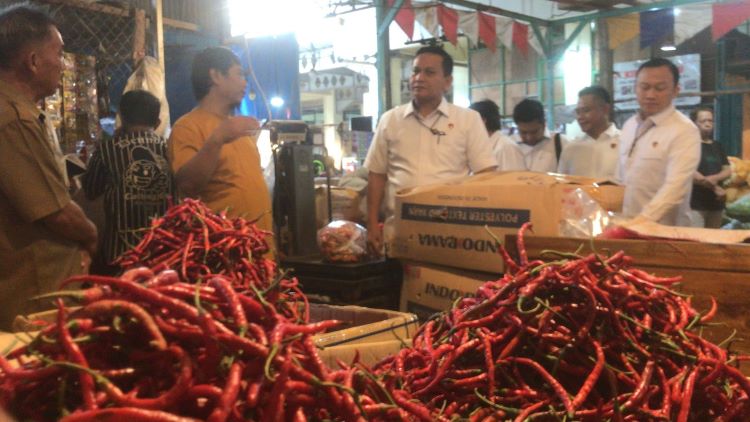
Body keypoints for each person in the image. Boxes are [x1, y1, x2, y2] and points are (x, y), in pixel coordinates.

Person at [0, 5, 97, 329]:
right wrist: (92, 236)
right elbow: (55, 212)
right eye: (59, 52)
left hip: (40, 289)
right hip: (35, 295)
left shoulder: (21, 112)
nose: (64, 63)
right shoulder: (13, 119)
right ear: (32, 61)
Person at [364, 45, 497, 256]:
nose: (419, 77)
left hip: (449, 234)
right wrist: (372, 224)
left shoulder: (467, 120)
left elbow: (485, 175)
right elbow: (377, 175)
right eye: (415, 71)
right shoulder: (390, 120)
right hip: (398, 232)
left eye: (429, 72)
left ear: (447, 81)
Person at [168, 47, 273, 243]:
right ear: (216, 75)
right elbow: (187, 185)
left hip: (260, 253)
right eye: (240, 74)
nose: (245, 82)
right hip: (226, 254)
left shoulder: (239, 128)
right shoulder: (187, 127)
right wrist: (217, 139)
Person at [83, 90, 176, 275]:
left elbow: (90, 190)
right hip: (168, 253)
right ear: (157, 123)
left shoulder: (107, 149)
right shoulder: (169, 147)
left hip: (120, 255)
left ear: (121, 119)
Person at [617, 58, 701, 226]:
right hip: (624, 227)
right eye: (645, 87)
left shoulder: (684, 130)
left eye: (660, 88)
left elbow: (675, 188)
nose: (650, 95)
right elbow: (621, 177)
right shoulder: (629, 126)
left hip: (664, 233)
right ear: (635, 88)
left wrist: (641, 222)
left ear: (676, 90)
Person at [557, 86, 620, 179]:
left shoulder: (625, 142)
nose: (580, 117)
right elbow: (561, 184)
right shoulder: (571, 149)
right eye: (578, 112)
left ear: (605, 109)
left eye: (586, 110)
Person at [496, 98, 568, 172]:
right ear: (517, 126)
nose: (529, 137)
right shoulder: (507, 146)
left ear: (544, 124)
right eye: (524, 132)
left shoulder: (562, 144)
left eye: (534, 132)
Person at [689, 106, 731, 228]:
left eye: (710, 121)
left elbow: (727, 170)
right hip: (696, 204)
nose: (708, 124)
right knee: (696, 243)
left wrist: (716, 177)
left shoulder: (717, 146)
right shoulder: (689, 144)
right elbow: (689, 171)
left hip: (716, 204)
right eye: (703, 121)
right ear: (694, 123)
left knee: (713, 242)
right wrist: (715, 187)